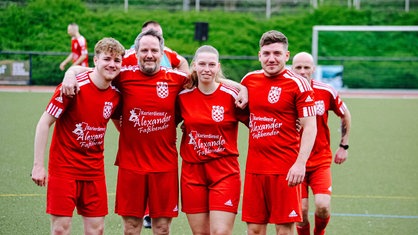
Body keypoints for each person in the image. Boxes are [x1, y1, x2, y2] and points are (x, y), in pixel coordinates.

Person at [61, 29, 247, 235]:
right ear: (136, 53)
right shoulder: (122, 76)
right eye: (145, 50)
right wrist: (70, 73)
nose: (149, 54)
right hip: (131, 166)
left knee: (162, 228)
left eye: (154, 50)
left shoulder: (177, 80)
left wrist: (243, 88)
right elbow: (95, 70)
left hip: (164, 167)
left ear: (162, 53)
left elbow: (210, 79)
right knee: (131, 228)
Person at [31, 37, 125, 235]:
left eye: (117, 61)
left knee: (96, 230)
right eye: (107, 59)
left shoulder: (117, 93)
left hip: (94, 170)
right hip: (64, 169)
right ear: (95, 61)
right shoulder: (72, 88)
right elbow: (43, 124)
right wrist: (38, 165)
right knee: (60, 229)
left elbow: (122, 127)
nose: (112, 64)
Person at [240, 30, 317, 235]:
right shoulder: (249, 80)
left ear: (286, 55)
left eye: (276, 53)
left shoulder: (298, 84)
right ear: (259, 55)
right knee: (254, 229)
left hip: (285, 169)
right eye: (266, 54)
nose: (271, 58)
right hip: (255, 169)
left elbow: (310, 126)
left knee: (284, 229)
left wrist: (300, 164)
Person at [176, 45, 248, 235]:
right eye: (202, 64)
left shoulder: (232, 95)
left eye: (211, 64)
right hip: (192, 173)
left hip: (224, 172)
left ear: (218, 67)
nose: (206, 69)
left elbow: (257, 123)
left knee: (220, 232)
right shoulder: (182, 97)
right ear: (194, 66)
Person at [291, 52, 351, 235]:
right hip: (293, 162)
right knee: (300, 212)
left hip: (320, 160)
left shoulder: (326, 91)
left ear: (313, 69)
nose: (302, 71)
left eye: (306, 67)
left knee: (322, 206)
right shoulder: (286, 91)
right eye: (298, 67)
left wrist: (344, 146)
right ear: (292, 69)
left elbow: (345, 115)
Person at [124, 20, 189, 74]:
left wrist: (184, 85)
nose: (154, 38)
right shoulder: (129, 55)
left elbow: (183, 62)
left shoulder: (166, 52)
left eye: (158, 36)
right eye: (150, 34)